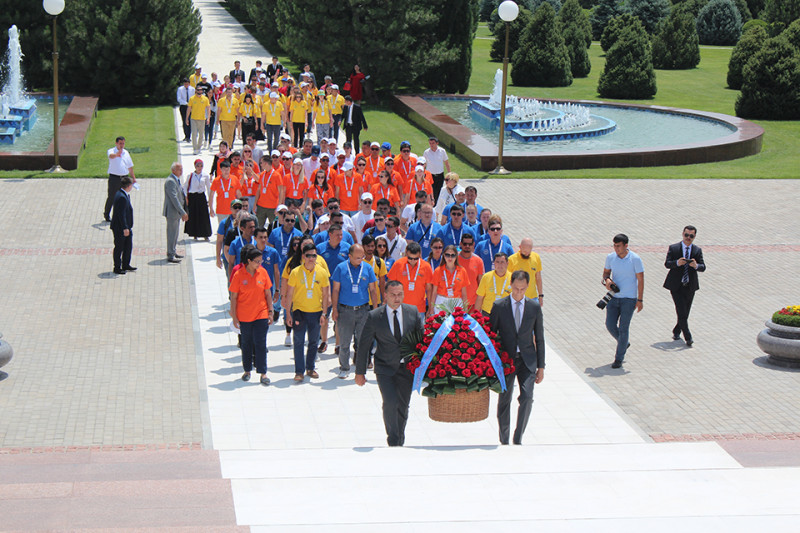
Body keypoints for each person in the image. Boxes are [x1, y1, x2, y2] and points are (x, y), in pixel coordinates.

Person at [355, 280, 424, 446]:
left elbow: (422, 340)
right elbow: (363, 345)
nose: (397, 298)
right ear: (385, 295)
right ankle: (393, 439)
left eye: (400, 294)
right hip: (385, 368)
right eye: (393, 295)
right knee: (390, 402)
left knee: (403, 405)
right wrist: (360, 372)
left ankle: (400, 438)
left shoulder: (412, 312)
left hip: (407, 368)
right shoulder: (374, 317)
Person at [490, 270, 545, 445]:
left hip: (527, 360)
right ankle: (504, 439)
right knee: (504, 400)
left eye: (522, 289)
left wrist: (541, 367)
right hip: (506, 360)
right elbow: (491, 336)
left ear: (527, 287)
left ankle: (518, 437)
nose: (519, 292)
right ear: (511, 285)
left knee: (527, 397)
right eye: (516, 288)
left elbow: (540, 338)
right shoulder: (500, 306)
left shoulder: (534, 307)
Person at [331, 244, 379, 379]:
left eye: (362, 257)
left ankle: (360, 369)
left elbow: (373, 290)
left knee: (363, 342)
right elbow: (336, 290)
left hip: (363, 310)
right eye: (357, 258)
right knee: (344, 342)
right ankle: (344, 368)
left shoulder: (367, 268)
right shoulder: (341, 268)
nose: (360, 260)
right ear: (349, 256)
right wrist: (334, 309)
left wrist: (375, 310)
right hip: (345, 310)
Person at [285, 243, 331, 382]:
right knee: (298, 341)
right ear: (303, 256)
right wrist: (288, 313)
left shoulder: (322, 272)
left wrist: (324, 314)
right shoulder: (295, 272)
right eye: (308, 255)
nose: (311, 258)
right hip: (299, 311)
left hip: (316, 312)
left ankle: (310, 368)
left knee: (313, 341)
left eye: (314, 256)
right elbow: (289, 294)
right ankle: (299, 371)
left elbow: (325, 294)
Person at [230, 244, 274, 385]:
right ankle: (247, 370)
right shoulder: (238, 275)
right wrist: (234, 316)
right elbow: (234, 297)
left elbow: (268, 294)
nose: (259, 264)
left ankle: (263, 373)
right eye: (257, 261)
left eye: (261, 261)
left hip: (261, 313)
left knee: (261, 343)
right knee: (246, 343)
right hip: (244, 315)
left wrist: (270, 312)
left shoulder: (263, 273)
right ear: (249, 261)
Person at [602, 233, 645, 369]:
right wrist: (607, 281)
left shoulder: (635, 259)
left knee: (624, 328)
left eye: (618, 246)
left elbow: (641, 280)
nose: (616, 248)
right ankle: (624, 342)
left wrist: (640, 299)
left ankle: (619, 358)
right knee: (610, 325)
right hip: (613, 297)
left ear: (626, 246)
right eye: (614, 246)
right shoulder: (610, 257)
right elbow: (605, 274)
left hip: (629, 299)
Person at [663, 225, 705, 347]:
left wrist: (696, 266)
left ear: (694, 237)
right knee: (681, 310)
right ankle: (688, 337)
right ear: (683, 234)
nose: (688, 238)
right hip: (676, 286)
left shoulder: (697, 250)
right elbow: (667, 264)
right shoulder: (674, 248)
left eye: (691, 236)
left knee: (685, 312)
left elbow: (703, 267)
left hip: (690, 286)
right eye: (686, 235)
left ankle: (677, 330)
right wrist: (677, 263)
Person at [387, 241, 433, 316]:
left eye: (415, 258)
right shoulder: (398, 264)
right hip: (400, 308)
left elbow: (429, 289)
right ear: (406, 253)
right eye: (410, 258)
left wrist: (430, 308)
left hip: (419, 309)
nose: (412, 261)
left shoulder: (426, 266)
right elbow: (390, 285)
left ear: (420, 255)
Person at [104, 136, 135, 222]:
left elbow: (130, 166)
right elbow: (111, 156)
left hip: (124, 177)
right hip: (114, 178)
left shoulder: (126, 153)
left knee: (124, 196)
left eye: (123, 143)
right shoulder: (111, 151)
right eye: (120, 143)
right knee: (111, 197)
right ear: (116, 143)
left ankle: (122, 214)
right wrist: (117, 154)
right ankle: (106, 214)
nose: (122, 145)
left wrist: (133, 178)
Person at [163, 162, 188, 264]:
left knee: (175, 233)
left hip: (176, 213)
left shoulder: (176, 179)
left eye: (181, 169)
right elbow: (174, 198)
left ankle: (173, 251)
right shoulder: (170, 181)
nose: (181, 171)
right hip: (172, 212)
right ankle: (170, 254)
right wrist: (182, 212)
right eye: (179, 169)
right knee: (172, 234)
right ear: (173, 170)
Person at [430, 244, 469, 309]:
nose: (450, 258)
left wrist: (465, 309)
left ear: (456, 256)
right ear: (444, 256)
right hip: (441, 301)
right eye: (447, 255)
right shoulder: (438, 270)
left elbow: (464, 293)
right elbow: (434, 292)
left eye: (453, 255)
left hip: (457, 302)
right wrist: (431, 309)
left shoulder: (462, 271)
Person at [111, 176, 136, 275]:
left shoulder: (122, 194)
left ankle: (126, 264)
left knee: (128, 246)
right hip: (120, 228)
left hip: (126, 227)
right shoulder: (122, 197)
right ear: (129, 186)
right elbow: (121, 215)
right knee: (119, 247)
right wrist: (125, 228)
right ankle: (117, 267)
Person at [508, 238, 543, 304]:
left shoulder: (536, 257)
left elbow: (538, 278)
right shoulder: (511, 260)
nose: (526, 254)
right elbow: (507, 279)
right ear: (520, 247)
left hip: (532, 298)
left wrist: (540, 295)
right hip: (517, 298)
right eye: (524, 251)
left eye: (528, 252)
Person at [183, 159, 212, 240]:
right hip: (193, 197)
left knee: (203, 215)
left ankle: (205, 234)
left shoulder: (205, 176)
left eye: (201, 166)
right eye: (198, 166)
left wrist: (210, 199)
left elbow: (209, 188)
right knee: (194, 215)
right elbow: (185, 187)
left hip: (201, 196)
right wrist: (186, 197)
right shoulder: (190, 175)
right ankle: (194, 233)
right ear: (195, 167)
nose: (199, 168)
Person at [458, 233, 485, 310]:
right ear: (461, 244)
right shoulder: (454, 258)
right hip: (456, 302)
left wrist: (480, 303)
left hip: (473, 303)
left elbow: (481, 283)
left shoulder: (478, 261)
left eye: (470, 244)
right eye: (465, 244)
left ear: (473, 244)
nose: (467, 246)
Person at [422, 136, 451, 202]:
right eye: (430, 143)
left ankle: (437, 204)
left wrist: (449, 174)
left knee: (439, 190)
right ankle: (431, 203)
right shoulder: (426, 152)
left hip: (440, 174)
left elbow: (446, 162)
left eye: (433, 143)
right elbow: (424, 163)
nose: (431, 145)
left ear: (437, 143)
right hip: (430, 175)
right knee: (431, 190)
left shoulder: (442, 151)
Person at [186, 85, 210, 155]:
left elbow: (208, 109)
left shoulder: (205, 99)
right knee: (194, 134)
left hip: (202, 119)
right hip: (194, 119)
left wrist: (208, 118)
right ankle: (195, 148)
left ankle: (199, 148)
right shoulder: (192, 99)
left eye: (201, 90)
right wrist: (187, 118)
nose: (200, 91)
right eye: (198, 90)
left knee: (201, 134)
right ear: (196, 90)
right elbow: (189, 108)